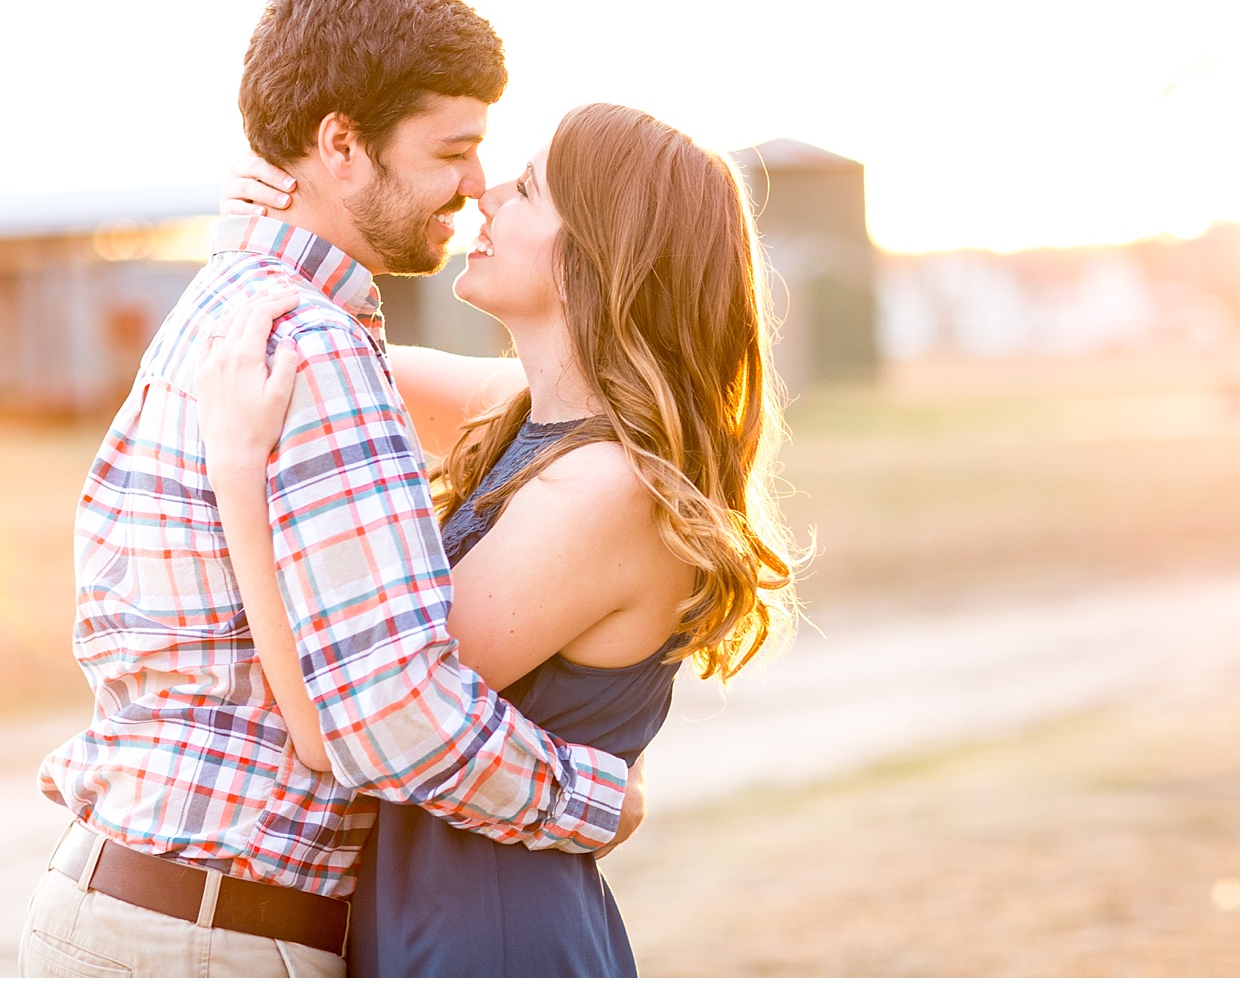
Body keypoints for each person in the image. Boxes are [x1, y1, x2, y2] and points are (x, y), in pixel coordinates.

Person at [20, 0, 645, 979]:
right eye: (456, 149)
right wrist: (590, 795)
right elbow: (389, 708)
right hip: (211, 939)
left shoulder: (247, 309)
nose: (477, 184)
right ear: (341, 143)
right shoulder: (307, 345)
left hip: (134, 906)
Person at [202, 101, 804, 975]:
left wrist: (235, 476)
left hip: (486, 936)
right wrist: (268, 225)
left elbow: (345, 717)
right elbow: (322, 350)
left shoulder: (606, 490)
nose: (485, 195)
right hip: (434, 918)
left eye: (527, 189)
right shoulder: (527, 412)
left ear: (597, 252)